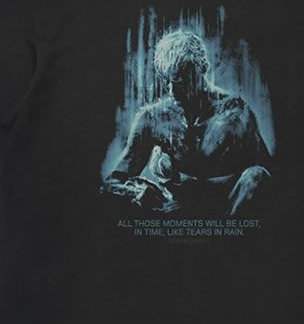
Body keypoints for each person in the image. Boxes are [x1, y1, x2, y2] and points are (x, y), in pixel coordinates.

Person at [101, 30, 271, 215]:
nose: (172, 91)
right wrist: (137, 193)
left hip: (229, 210)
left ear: (202, 68)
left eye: (181, 80)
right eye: (167, 81)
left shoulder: (235, 112)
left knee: (256, 175)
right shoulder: (152, 117)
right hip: (173, 212)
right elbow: (111, 183)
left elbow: (268, 174)